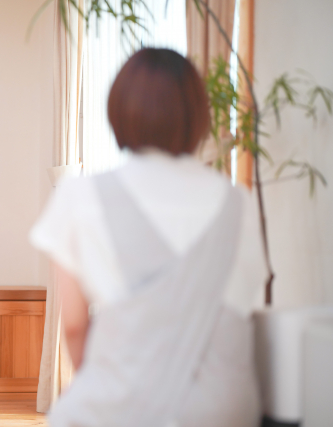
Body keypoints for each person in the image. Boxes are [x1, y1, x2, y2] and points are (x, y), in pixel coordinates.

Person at [31, 48, 265, 427]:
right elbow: (244, 303)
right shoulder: (237, 203)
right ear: (197, 116)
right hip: (224, 406)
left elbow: (73, 325)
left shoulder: (81, 196)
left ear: (118, 111)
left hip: (125, 404)